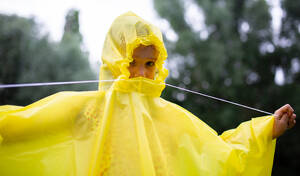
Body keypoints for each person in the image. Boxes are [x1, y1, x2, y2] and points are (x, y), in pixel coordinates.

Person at [0, 12, 296, 176]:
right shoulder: (85, 109)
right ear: (114, 62)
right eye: (132, 63)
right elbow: (24, 126)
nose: (141, 73)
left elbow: (217, 155)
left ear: (160, 64)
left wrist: (266, 129)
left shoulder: (169, 118)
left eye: (150, 64)